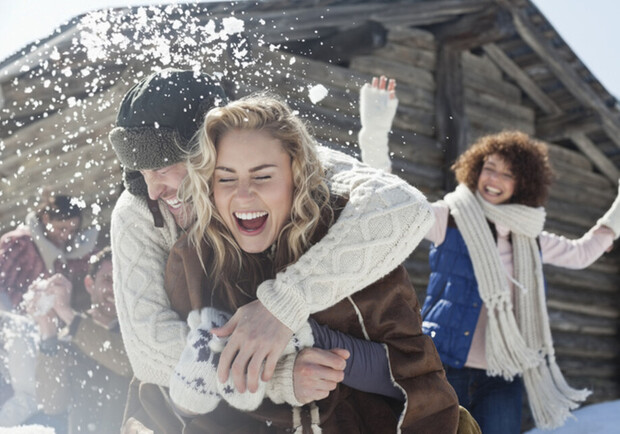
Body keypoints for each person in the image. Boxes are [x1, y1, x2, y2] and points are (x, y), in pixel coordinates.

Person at [108, 67, 436, 405]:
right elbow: (147, 347)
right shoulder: (138, 213)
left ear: (209, 150)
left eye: (162, 169)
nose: (152, 189)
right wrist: (271, 375)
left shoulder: (283, 163)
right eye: (140, 172)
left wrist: (280, 306)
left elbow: (406, 208)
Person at [158, 93, 468, 433]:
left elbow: (415, 374)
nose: (243, 195)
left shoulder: (347, 239)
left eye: (263, 176)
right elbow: (163, 403)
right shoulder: (194, 260)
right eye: (226, 178)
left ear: (295, 175)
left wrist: (302, 334)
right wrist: (194, 392)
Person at [357, 95, 620, 432]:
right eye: (489, 168)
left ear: (523, 184)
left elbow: (584, 252)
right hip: (441, 365)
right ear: (476, 169)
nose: (493, 179)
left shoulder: (530, 239)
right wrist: (375, 132)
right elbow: (394, 204)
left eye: (507, 174)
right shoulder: (449, 219)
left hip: (502, 375)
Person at [24, 247, 132, 434]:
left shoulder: (136, 332)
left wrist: (66, 313)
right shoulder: (70, 334)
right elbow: (51, 404)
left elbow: (126, 363)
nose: (115, 289)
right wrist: (47, 330)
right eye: (108, 279)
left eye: (122, 281)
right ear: (90, 285)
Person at [0, 193, 98, 312]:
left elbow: (99, 261)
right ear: (46, 218)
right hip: (14, 320)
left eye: (73, 231)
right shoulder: (20, 243)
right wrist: (30, 303)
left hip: (51, 325)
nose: (66, 235)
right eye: (61, 228)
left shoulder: (71, 252)